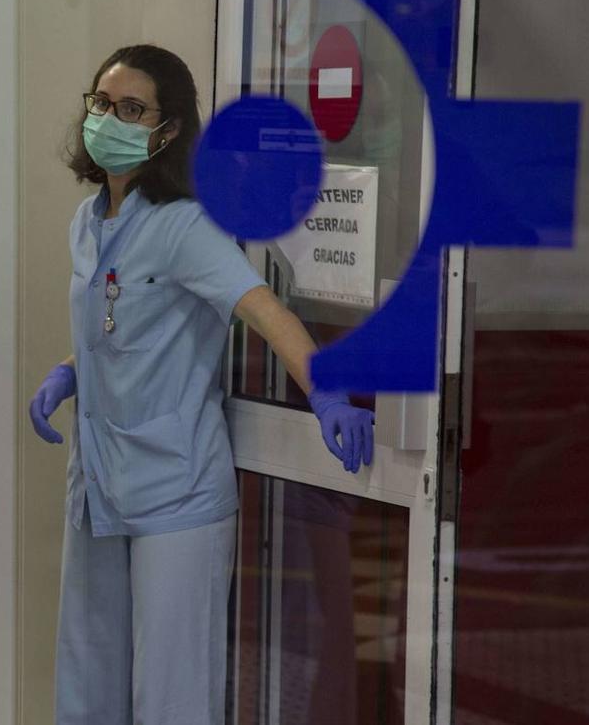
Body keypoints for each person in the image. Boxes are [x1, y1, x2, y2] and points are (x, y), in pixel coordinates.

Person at [27, 44, 375, 725]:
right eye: (101, 104)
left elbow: (266, 312)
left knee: (172, 693)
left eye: (131, 109)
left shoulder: (186, 225)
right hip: (98, 480)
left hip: (176, 488)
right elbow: (115, 321)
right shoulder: (88, 223)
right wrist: (72, 371)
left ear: (168, 130)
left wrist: (325, 391)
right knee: (88, 683)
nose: (109, 119)